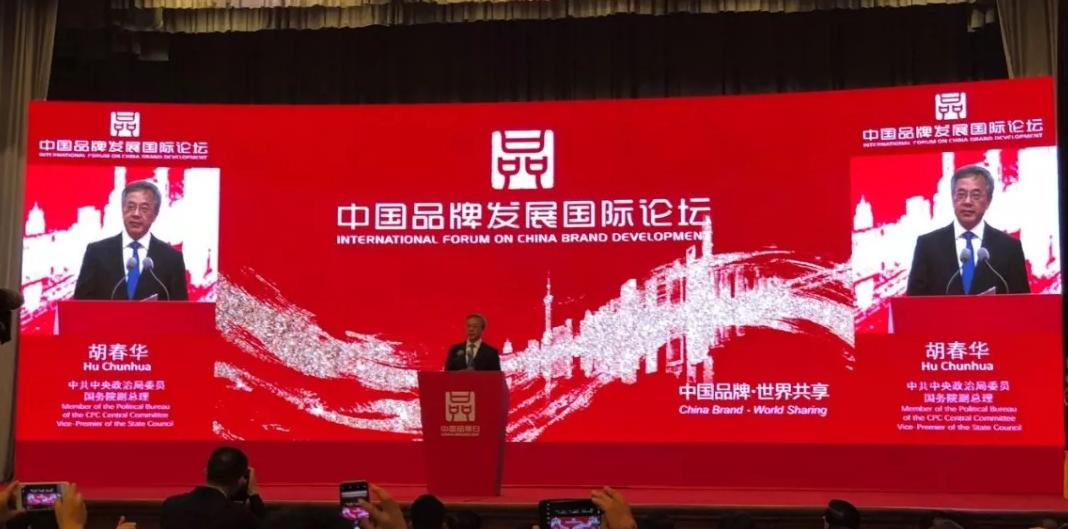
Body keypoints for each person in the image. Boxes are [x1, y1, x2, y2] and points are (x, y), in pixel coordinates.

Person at [906, 165, 1030, 296]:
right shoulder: (928, 245)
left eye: (976, 195)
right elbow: (913, 302)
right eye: (961, 194)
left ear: (988, 200)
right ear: (952, 198)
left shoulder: (1009, 248)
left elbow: (1022, 303)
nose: (967, 202)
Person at [73, 180, 189, 301]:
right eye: (130, 207)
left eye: (144, 209)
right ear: (122, 210)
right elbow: (81, 303)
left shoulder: (172, 258)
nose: (136, 214)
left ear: (155, 214)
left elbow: (180, 308)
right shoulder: (96, 252)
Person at [160, 446, 267, 529]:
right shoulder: (239, 516)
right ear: (240, 480)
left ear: (206, 471)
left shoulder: (171, 506)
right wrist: (254, 494)